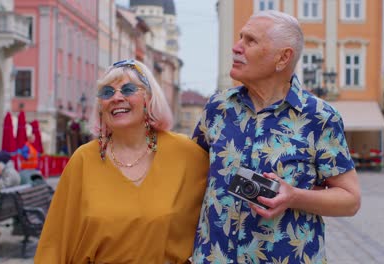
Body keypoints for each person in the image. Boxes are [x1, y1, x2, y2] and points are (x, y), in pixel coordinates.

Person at [191, 11, 361, 263]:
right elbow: (188, 170)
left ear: (283, 57)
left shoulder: (319, 117)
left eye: (250, 41)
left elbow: (350, 200)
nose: (236, 48)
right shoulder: (218, 108)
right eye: (240, 38)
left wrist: (294, 196)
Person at [34, 59, 209, 263]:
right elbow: (55, 241)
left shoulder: (186, 154)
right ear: (101, 107)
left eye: (128, 89)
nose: (116, 97)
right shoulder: (83, 160)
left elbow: (224, 206)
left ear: (149, 98)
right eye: (107, 93)